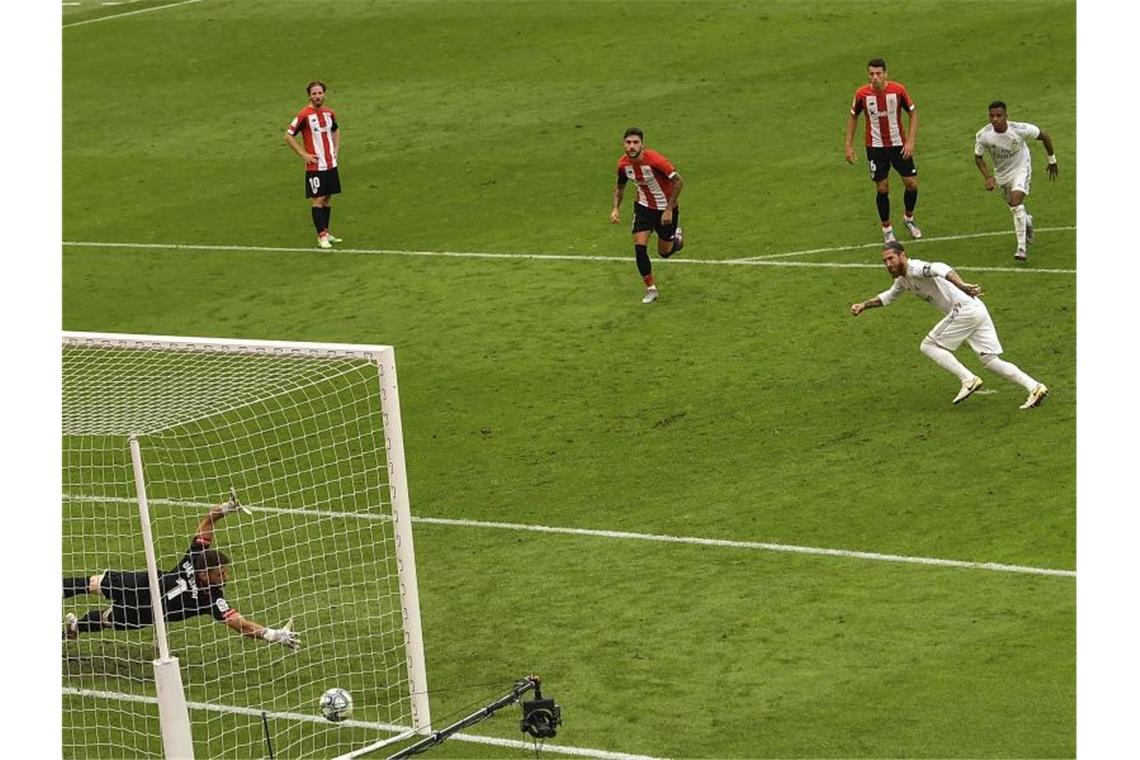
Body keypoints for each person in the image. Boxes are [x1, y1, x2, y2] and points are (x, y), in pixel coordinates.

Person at [62, 490, 301, 650]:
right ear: (204, 573)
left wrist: (271, 634)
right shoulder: (195, 558)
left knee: (105, 619)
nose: (225, 577)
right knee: (94, 583)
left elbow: (241, 624)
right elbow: (207, 522)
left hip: (147, 612)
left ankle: (72, 629)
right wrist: (226, 508)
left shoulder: (212, 599)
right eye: (221, 573)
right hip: (146, 583)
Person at [850, 240, 1049, 409]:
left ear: (903, 255)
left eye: (891, 259)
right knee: (990, 361)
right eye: (885, 261)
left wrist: (961, 284)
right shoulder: (903, 280)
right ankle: (1035, 387)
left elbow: (939, 267)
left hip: (963, 309)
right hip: (975, 309)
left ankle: (968, 379)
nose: (888, 264)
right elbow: (888, 296)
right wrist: (864, 305)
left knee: (928, 345)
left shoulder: (915, 268)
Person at [845, 57, 922, 244]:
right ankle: (887, 229)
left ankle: (908, 218)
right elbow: (853, 117)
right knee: (882, 187)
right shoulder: (862, 94)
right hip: (875, 147)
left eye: (878, 73)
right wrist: (848, 144)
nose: (875, 77)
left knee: (911, 184)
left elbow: (913, 113)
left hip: (898, 144)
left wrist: (910, 141)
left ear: (886, 74)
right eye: (871, 74)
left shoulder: (898, 90)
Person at [973, 101, 1058, 261]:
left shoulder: (1019, 130)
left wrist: (1052, 161)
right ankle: (1027, 221)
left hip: (1021, 169)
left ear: (1006, 116)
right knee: (1013, 205)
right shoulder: (983, 135)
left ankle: (1021, 248)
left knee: (1016, 202)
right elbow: (978, 158)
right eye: (992, 116)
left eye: (999, 115)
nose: (995, 119)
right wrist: (988, 177)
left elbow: (1045, 136)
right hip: (1002, 175)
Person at [610, 127, 685, 304]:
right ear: (623, 144)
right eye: (628, 143)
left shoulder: (656, 160)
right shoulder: (623, 165)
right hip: (643, 208)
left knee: (664, 253)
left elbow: (678, 181)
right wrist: (615, 209)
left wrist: (668, 208)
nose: (632, 146)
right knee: (639, 247)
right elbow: (619, 189)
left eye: (635, 142)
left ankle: (677, 240)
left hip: (665, 209)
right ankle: (651, 289)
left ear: (642, 144)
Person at [285, 80, 342, 250]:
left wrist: (336, 149)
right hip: (315, 166)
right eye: (314, 93)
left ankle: (326, 231)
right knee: (318, 199)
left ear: (324, 94)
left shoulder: (329, 113)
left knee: (328, 197)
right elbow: (288, 136)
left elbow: (336, 130)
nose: (317, 96)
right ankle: (321, 236)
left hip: (330, 164)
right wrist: (303, 154)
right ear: (309, 95)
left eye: (320, 93)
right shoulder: (304, 115)